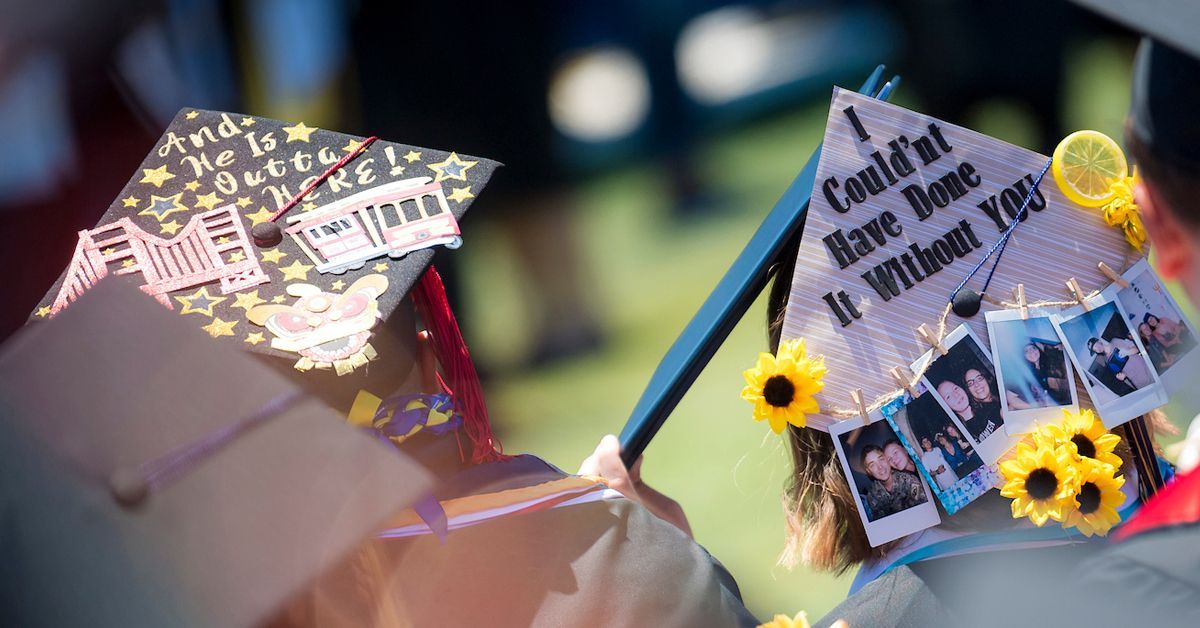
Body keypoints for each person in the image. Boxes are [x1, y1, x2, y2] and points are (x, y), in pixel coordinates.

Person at [861, 444, 928, 518]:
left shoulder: (912, 481)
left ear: (887, 460)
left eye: (881, 459)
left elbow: (921, 509)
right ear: (868, 471)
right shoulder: (872, 495)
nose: (880, 467)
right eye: (872, 465)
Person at [1088, 336, 1154, 391]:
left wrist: (1127, 352)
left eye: (1096, 345)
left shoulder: (1115, 341)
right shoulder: (1106, 361)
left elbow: (1137, 348)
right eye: (1095, 350)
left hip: (1146, 368)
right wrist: (1122, 377)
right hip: (1138, 380)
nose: (1097, 349)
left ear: (1099, 341)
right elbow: (1121, 372)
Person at [961, 368, 1004, 440]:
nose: (976, 385)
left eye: (979, 378)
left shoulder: (1004, 395)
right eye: (970, 383)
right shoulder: (976, 418)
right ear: (968, 390)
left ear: (987, 379)